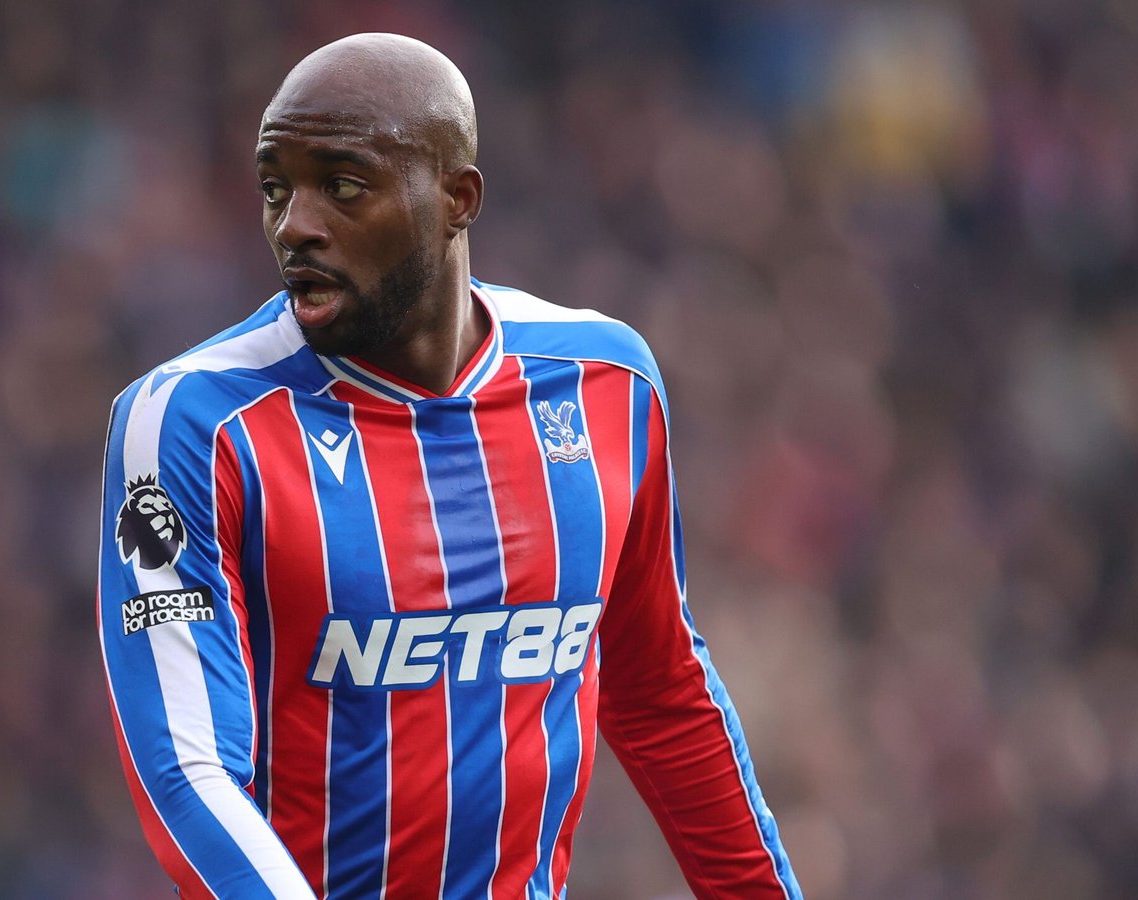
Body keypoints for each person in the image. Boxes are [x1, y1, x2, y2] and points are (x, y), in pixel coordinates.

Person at [98, 32, 802, 899]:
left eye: (343, 187)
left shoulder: (604, 386)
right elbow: (187, 770)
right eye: (277, 188)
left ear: (457, 197)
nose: (296, 226)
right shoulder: (191, 423)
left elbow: (659, 691)